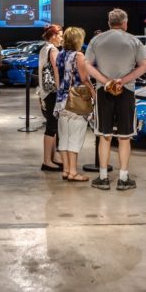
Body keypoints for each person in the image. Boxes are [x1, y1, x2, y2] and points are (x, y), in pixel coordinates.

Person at [85, 8, 146, 191]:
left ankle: (103, 177)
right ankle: (123, 178)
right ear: (125, 23)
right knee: (124, 137)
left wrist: (106, 82)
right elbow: (144, 66)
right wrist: (123, 80)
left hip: (103, 92)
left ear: (109, 23)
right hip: (126, 92)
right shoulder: (134, 41)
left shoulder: (96, 40)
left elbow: (87, 65)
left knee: (104, 136)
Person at [55, 27, 94, 182]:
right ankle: (73, 172)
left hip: (61, 100)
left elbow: (59, 75)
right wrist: (93, 92)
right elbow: (84, 79)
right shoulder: (79, 56)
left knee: (64, 137)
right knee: (75, 137)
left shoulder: (60, 54)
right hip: (76, 100)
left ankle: (65, 170)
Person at [38, 24, 63, 172]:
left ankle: (51, 158)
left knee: (52, 127)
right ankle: (47, 161)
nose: (62, 38)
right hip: (52, 92)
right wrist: (61, 90)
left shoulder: (44, 48)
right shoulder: (52, 50)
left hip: (45, 92)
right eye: (60, 35)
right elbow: (57, 71)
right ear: (53, 36)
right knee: (52, 127)